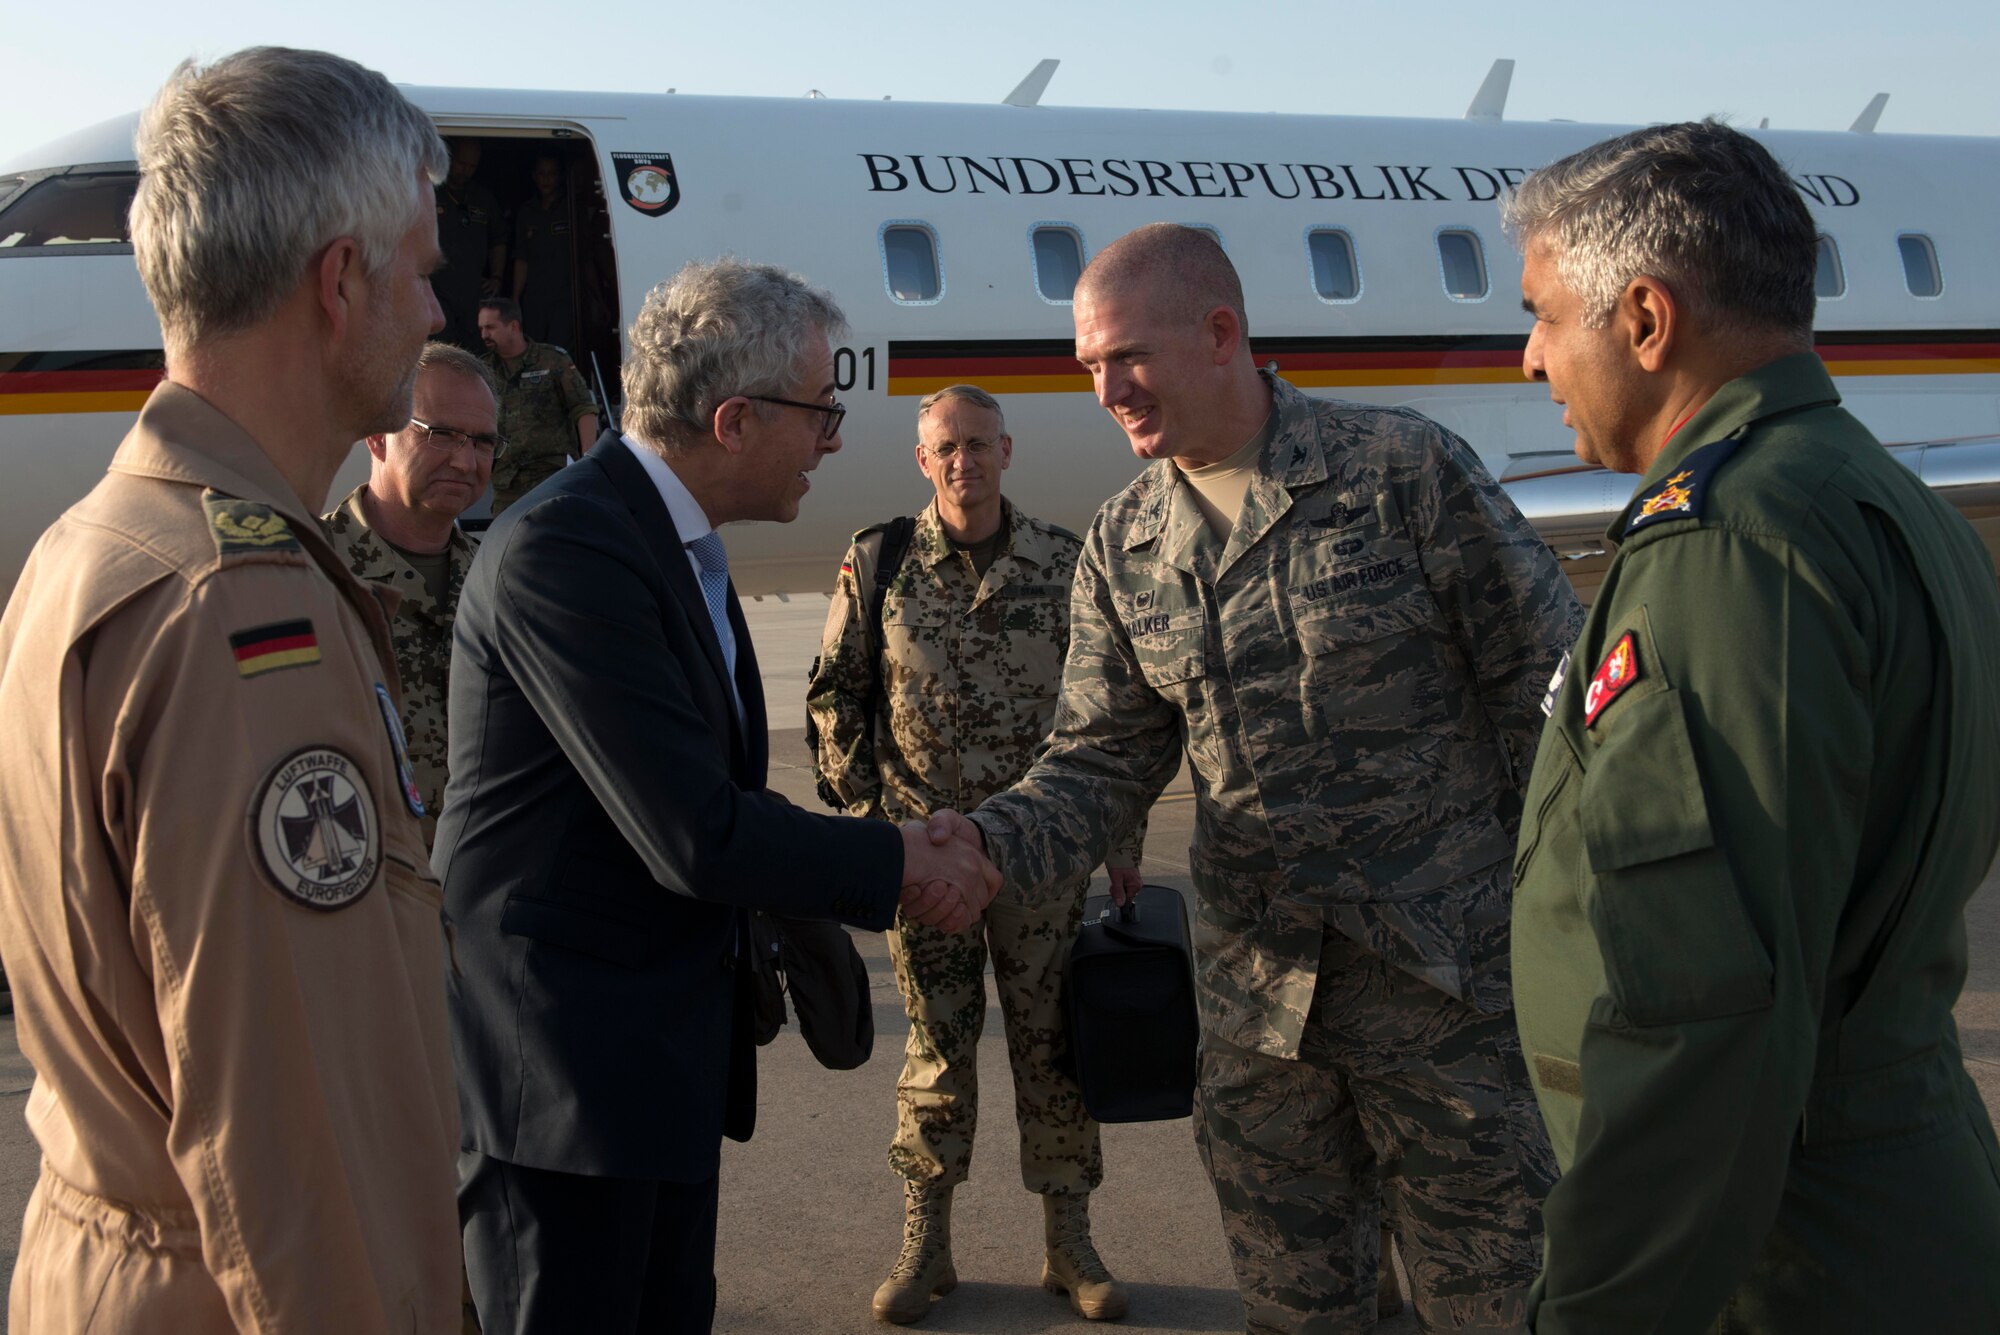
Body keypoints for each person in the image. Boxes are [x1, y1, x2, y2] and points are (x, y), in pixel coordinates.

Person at [950, 223, 1581, 1331]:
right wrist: (973, 850)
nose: (1105, 392)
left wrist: (1569, 936)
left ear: (1219, 333)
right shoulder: (1124, 543)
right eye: (1088, 367)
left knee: (1498, 1310)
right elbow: (1096, 761)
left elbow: (1551, 701)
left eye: (1125, 359)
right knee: (1296, 1313)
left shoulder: (1400, 471)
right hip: (1259, 1028)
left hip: (1450, 1009)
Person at [439, 257, 1001, 1335]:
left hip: (649, 1073)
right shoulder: (570, 547)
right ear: (734, 419)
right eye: (820, 410)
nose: (832, 438)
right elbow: (690, 831)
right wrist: (899, 862)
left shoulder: (667, 542)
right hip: (563, 1096)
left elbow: (707, 793)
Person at [1504, 119, 2000, 1333]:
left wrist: (1594, 1313)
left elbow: (1703, 1020)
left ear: (1645, 321)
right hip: (1873, 1202)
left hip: (1781, 1255)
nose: (1527, 359)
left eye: (1544, 316)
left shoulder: (1730, 545)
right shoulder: (1866, 491)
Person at [0, 47, 461, 1331]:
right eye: (422, 270)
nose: (436, 312)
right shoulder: (243, 617)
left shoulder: (87, 551)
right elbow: (298, 1149)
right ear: (340, 281)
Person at [807, 384, 1146, 1324]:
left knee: (1054, 1051)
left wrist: (1119, 837)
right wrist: (877, 829)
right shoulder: (880, 564)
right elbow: (837, 698)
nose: (965, 462)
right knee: (937, 1054)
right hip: (926, 868)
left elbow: (1111, 713)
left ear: (1008, 450)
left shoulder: (1064, 564)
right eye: (946, 447)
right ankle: (928, 1244)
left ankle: (1069, 1243)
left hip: (1038, 860)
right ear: (924, 460)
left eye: (980, 445)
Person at [324, 340, 496, 848]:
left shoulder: (499, 581)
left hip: (474, 893)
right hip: (365, 890)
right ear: (378, 434)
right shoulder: (310, 570)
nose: (465, 461)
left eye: (483, 442)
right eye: (441, 435)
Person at [477, 295, 598, 514]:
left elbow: (583, 408)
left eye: (490, 327)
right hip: (507, 480)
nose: (484, 334)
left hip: (551, 474)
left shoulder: (552, 360)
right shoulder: (484, 368)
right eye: (481, 328)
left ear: (513, 326)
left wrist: (588, 459)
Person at [432, 138, 506, 351]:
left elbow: (498, 239)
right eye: (462, 164)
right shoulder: (430, 192)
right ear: (449, 158)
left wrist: (496, 277)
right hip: (438, 288)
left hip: (473, 290)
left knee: (476, 351)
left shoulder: (483, 198)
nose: (466, 170)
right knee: (441, 351)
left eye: (472, 166)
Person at [510, 151, 576, 351]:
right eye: (541, 173)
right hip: (535, 295)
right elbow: (521, 259)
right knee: (534, 347)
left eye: (552, 173)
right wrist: (515, 298)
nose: (546, 179)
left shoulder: (571, 208)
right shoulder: (526, 212)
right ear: (534, 176)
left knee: (561, 347)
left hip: (566, 294)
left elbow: (586, 258)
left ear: (560, 177)